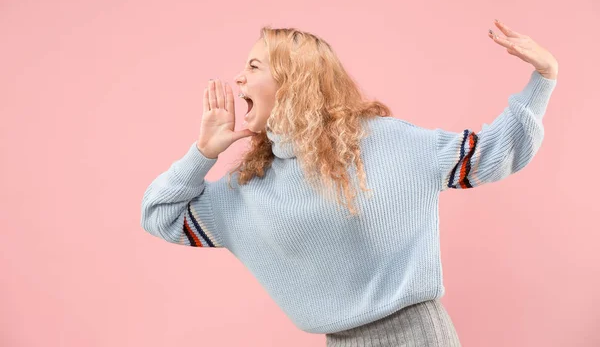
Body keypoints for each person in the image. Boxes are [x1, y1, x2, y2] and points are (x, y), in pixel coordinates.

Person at [140, 21, 558, 346]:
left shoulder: (384, 142)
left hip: (420, 337)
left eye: (253, 67)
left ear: (292, 80)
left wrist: (544, 77)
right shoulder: (248, 189)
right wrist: (203, 153)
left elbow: (493, 152)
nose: (238, 79)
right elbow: (160, 215)